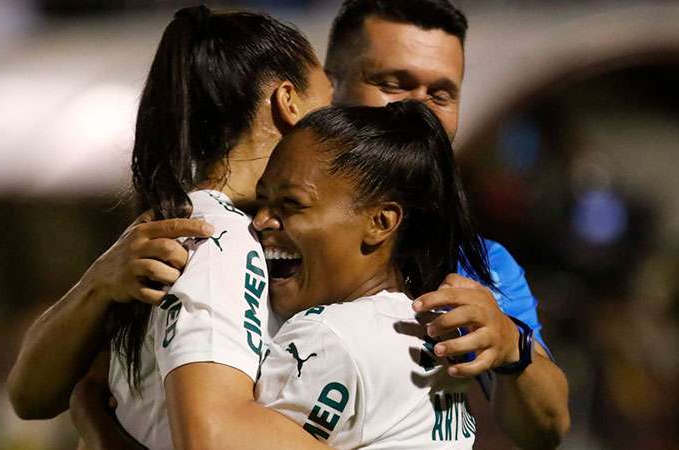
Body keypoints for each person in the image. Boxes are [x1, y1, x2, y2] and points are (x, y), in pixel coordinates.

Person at [109, 1, 569, 447]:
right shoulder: (228, 232)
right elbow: (79, 388)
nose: (420, 108)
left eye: (441, 93)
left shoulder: (473, 264)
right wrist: (95, 288)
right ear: (329, 88)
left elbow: (546, 430)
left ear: (384, 224)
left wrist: (513, 349)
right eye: (393, 82)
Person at [8, 5, 336, 450]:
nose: (337, 125)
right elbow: (211, 438)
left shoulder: (187, 225)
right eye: (328, 101)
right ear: (289, 102)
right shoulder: (218, 242)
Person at [252, 100, 493, 449]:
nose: (261, 220)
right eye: (260, 201)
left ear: (380, 223)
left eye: (291, 203)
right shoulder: (421, 325)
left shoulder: (328, 338)